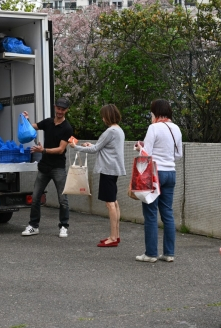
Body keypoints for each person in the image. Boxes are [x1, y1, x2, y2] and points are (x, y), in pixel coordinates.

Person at [70, 104, 126, 247]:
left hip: (108, 169)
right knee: (114, 202)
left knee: (110, 204)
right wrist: (90, 145)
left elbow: (95, 149)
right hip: (114, 169)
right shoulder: (119, 130)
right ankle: (116, 235)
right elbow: (103, 147)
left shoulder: (110, 131)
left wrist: (75, 147)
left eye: (103, 115)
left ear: (108, 116)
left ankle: (113, 238)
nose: (102, 118)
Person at [135, 99, 183, 263]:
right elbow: (178, 155)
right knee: (167, 214)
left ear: (155, 112)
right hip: (171, 172)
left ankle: (151, 254)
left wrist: (139, 147)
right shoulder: (176, 128)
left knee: (150, 214)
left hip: (155, 174)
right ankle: (169, 253)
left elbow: (146, 153)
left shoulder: (153, 127)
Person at [21, 97, 73, 238]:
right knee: (35, 197)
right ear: (55, 107)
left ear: (67, 110)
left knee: (63, 199)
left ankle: (63, 226)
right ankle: (33, 226)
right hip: (44, 166)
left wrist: (42, 150)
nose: (60, 111)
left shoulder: (67, 128)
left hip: (58, 167)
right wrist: (25, 119)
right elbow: (33, 127)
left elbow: (61, 149)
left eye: (63, 109)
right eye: (58, 108)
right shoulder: (48, 122)